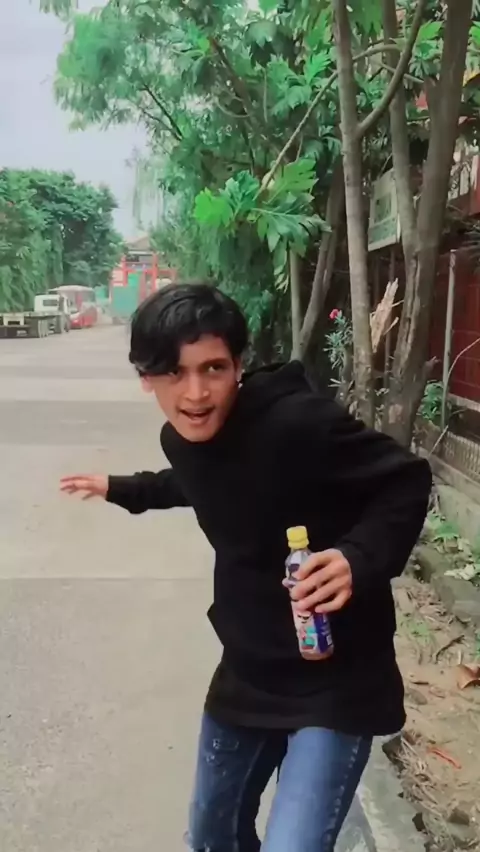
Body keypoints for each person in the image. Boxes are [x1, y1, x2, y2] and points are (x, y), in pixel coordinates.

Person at [61, 282, 432, 852]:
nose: (195, 393)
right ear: (146, 377)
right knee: (211, 837)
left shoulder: (299, 424)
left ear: (238, 366)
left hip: (338, 677)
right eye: (175, 373)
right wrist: (123, 488)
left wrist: (357, 559)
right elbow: (201, 479)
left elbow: (404, 479)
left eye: (213, 369)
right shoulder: (181, 439)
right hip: (250, 670)